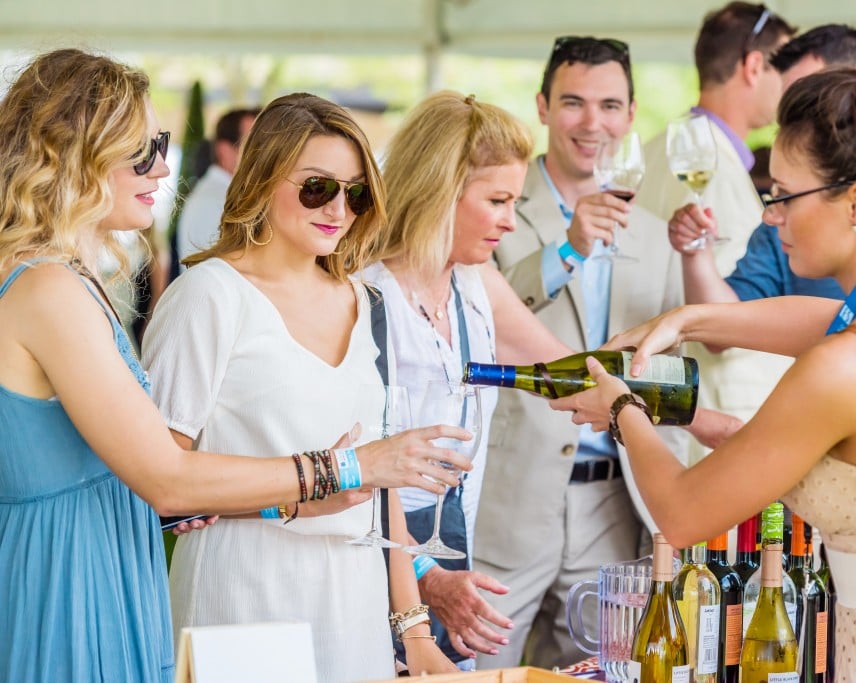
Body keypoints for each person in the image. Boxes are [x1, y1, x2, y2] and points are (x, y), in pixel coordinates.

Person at [555, 45, 856, 681]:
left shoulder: (841, 371)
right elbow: (846, 324)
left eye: (783, 196)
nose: (772, 216)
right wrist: (695, 319)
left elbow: (682, 511)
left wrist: (620, 405)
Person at [0, 49, 469, 682]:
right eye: (140, 149)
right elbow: (167, 480)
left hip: (110, 562)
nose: (164, 165)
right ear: (71, 152)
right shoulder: (52, 288)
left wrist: (307, 506)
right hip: (73, 578)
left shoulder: (66, 282)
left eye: (157, 143)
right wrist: (348, 469)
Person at [141, 93, 471, 682]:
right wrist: (299, 495)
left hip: (354, 607)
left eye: (357, 192)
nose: (339, 209)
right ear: (263, 178)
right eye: (318, 187)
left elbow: (380, 480)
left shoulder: (364, 300)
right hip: (243, 594)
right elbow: (160, 491)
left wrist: (414, 632)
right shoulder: (207, 296)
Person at [472, 36, 690, 670]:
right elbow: (475, 320)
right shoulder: (499, 205)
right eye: (573, 102)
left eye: (610, 105)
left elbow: (666, 375)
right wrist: (564, 249)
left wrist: (666, 509)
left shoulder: (656, 233)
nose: (592, 123)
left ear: (630, 114)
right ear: (542, 107)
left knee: (600, 669)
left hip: (614, 504)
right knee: (483, 669)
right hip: (507, 499)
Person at [363, 90, 571, 667]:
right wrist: (427, 577)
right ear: (440, 190)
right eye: (498, 200)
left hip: (451, 541)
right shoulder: (364, 293)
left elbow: (565, 370)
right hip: (378, 559)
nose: (510, 221)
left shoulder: (475, 282)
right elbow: (351, 462)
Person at [636, 2, 796, 465]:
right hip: (722, 418)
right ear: (753, 66)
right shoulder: (710, 169)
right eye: (782, 69)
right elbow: (721, 324)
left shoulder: (656, 147)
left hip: (673, 405)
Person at [176, 107, 259, 259]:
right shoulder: (218, 200)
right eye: (253, 146)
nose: (263, 155)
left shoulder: (223, 195)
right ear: (224, 150)